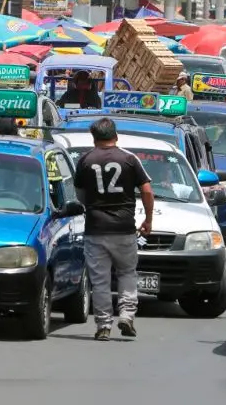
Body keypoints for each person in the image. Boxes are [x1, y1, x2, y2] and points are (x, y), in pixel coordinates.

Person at [73, 118, 154, 341]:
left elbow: (80, 195)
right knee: (127, 273)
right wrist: (147, 219)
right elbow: (147, 190)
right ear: (115, 136)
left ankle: (103, 326)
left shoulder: (85, 160)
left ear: (94, 138)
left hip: (96, 228)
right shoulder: (129, 159)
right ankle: (127, 315)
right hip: (124, 228)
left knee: (100, 281)